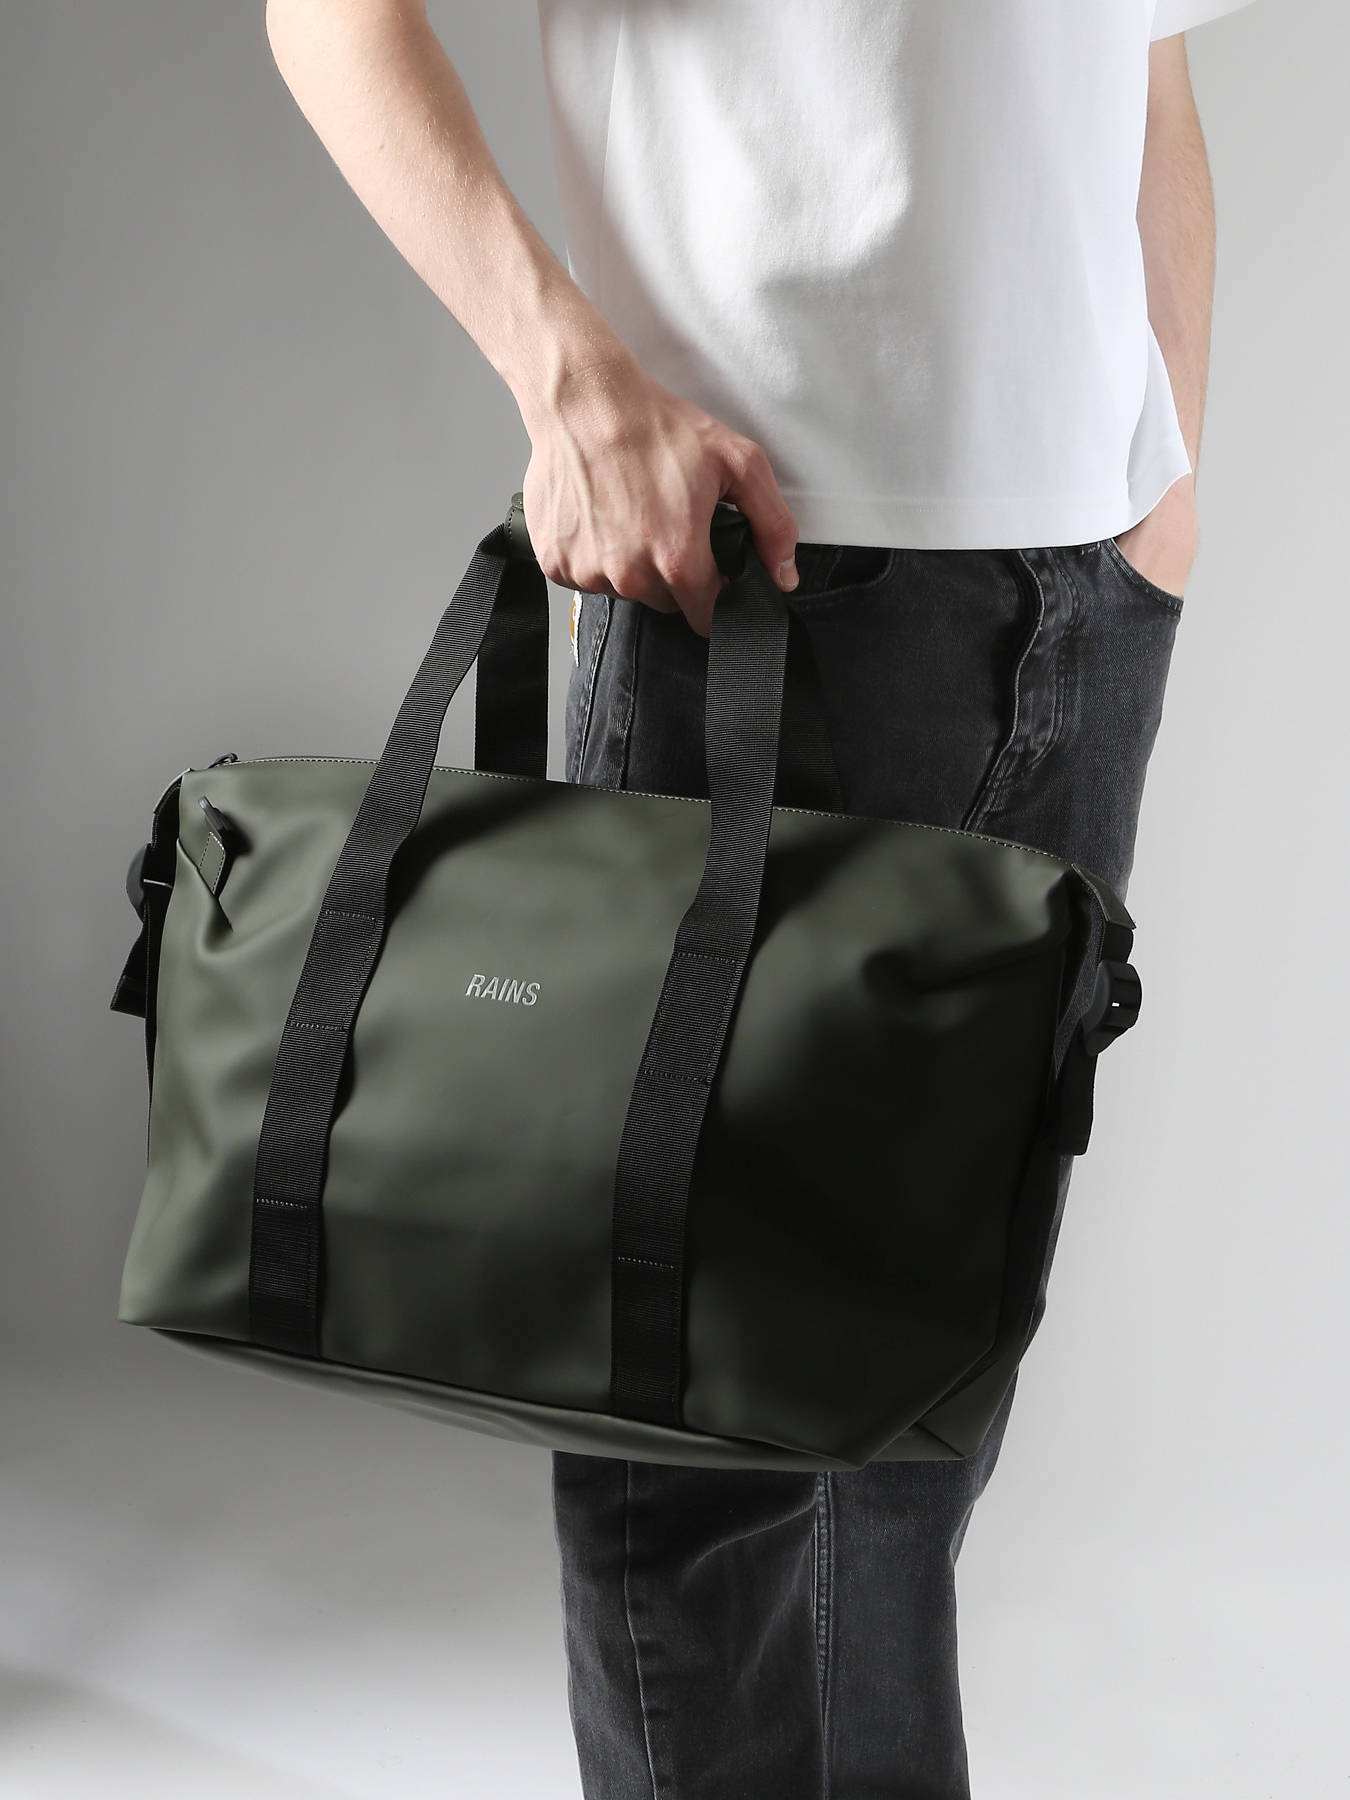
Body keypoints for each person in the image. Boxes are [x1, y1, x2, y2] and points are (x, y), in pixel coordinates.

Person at [265, 1, 1256, 1792]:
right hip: (755, 579)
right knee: (701, 1455)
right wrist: (568, 379)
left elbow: (1148, 59)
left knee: (910, 1411)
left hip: (1076, 593)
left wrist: (1163, 474)